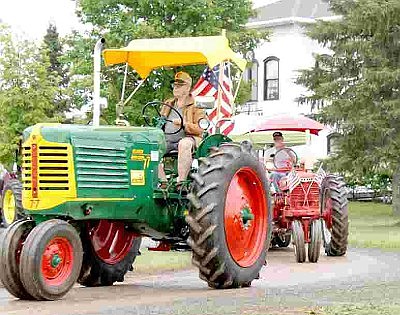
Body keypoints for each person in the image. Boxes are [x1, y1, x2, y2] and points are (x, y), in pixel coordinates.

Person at [158, 71, 205, 188]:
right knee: (151, 146)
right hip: (167, 140)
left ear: (187, 87)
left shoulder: (195, 105)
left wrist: (184, 124)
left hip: (189, 139)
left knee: (184, 144)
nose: (175, 88)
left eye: (179, 85)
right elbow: (159, 122)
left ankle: (181, 183)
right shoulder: (168, 104)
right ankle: (163, 182)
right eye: (174, 85)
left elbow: (200, 129)